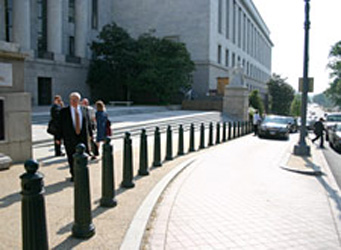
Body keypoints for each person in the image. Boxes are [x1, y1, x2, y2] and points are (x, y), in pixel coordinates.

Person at [56, 92, 93, 181]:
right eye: (72, 99)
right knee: (71, 156)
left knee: (83, 156)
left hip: (82, 137)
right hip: (69, 137)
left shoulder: (84, 110)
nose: (73, 101)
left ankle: (81, 172)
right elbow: (59, 125)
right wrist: (58, 138)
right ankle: (74, 174)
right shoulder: (64, 111)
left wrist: (91, 135)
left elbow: (88, 123)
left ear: (79, 100)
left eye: (75, 99)